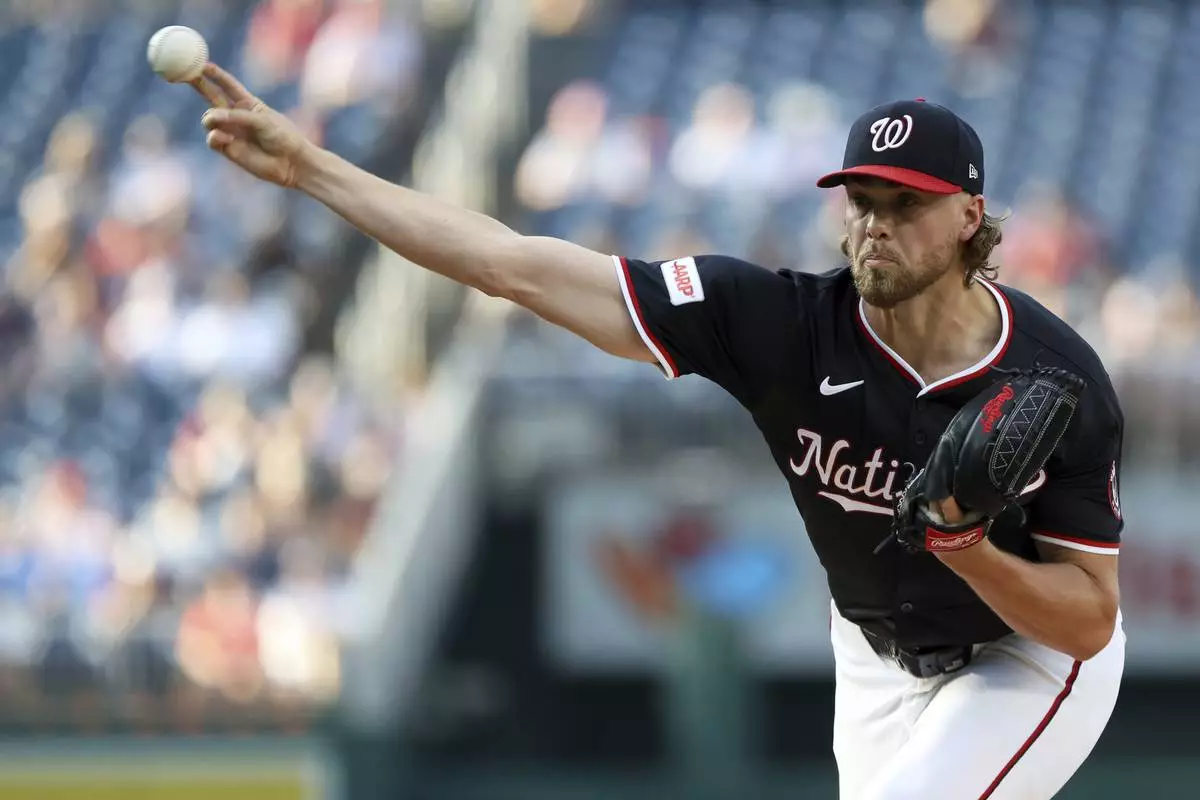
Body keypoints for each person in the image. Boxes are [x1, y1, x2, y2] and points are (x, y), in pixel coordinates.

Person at [194, 65, 1125, 799]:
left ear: (969, 217)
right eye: (863, 201)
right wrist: (311, 169)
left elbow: (1088, 623)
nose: (876, 226)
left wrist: (965, 547)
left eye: (906, 204)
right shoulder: (779, 323)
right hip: (875, 652)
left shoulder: (1056, 379)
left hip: (1027, 655)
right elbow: (509, 265)